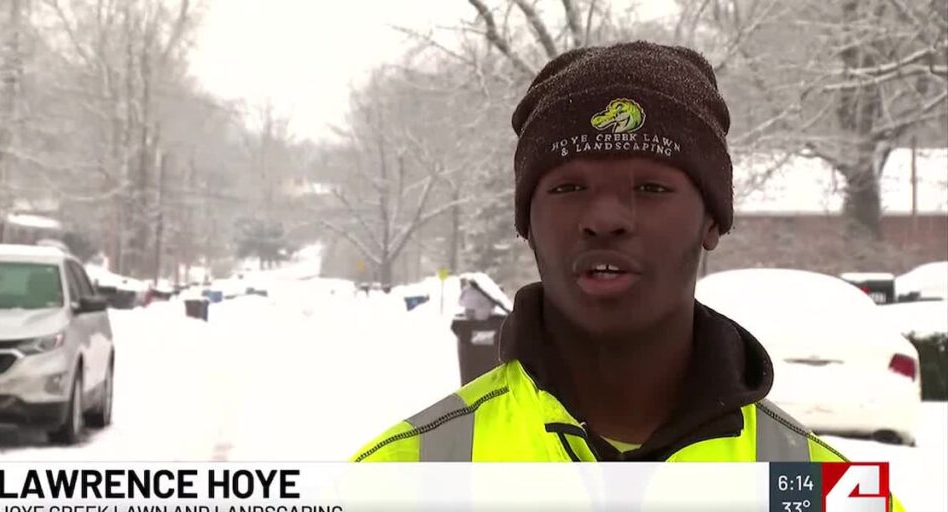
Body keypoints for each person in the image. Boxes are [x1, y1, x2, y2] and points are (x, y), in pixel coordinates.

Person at [352, 41, 904, 509]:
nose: (605, 218)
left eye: (651, 187)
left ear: (712, 219)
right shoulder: (399, 483)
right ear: (528, 224)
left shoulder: (827, 494)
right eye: (569, 187)